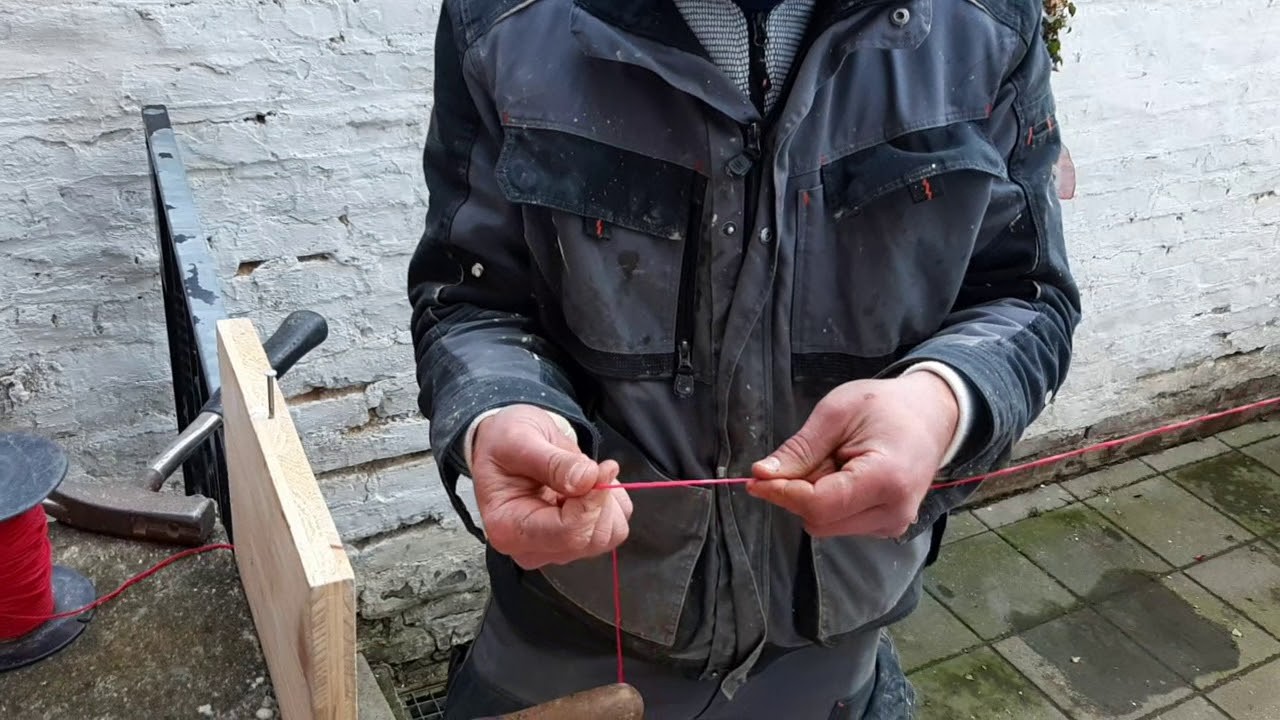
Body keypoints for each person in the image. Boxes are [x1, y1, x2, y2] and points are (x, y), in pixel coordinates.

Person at [407, 0, 1081, 717]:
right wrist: (503, 406)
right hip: (563, 645)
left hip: (837, 654)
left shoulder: (989, 22)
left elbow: (1027, 293)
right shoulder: (502, 22)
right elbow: (469, 296)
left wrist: (941, 402)